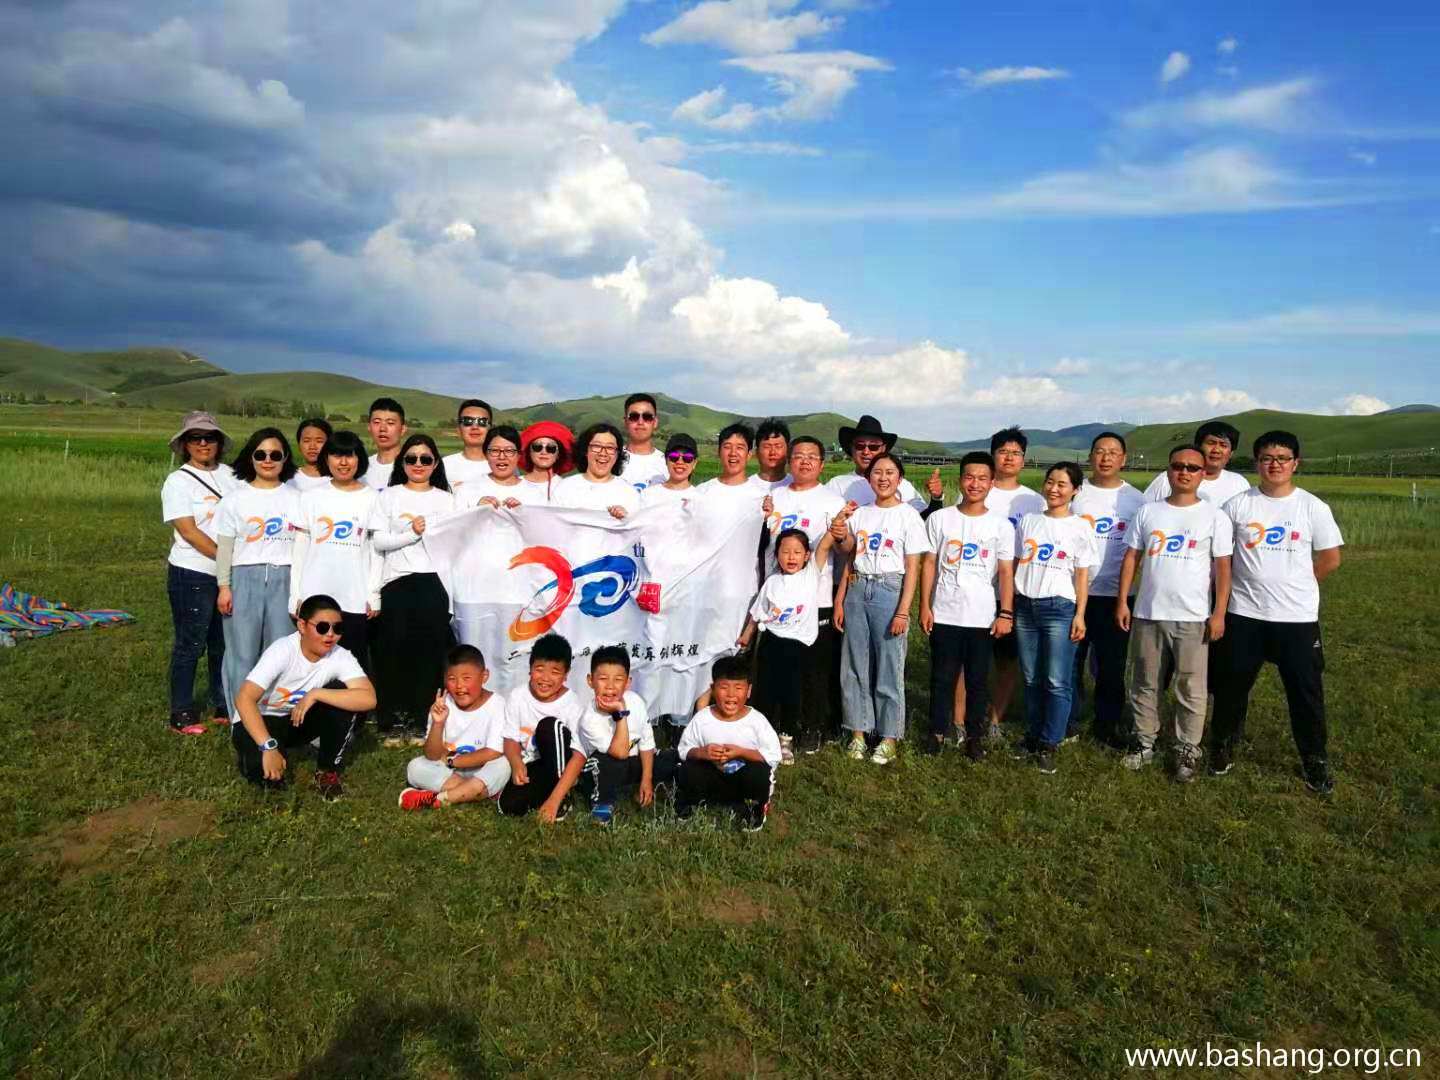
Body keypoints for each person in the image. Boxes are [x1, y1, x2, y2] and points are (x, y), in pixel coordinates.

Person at [1209, 431, 1343, 793]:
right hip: (1244, 614)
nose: (1275, 464)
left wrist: (1299, 582)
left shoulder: (1312, 507)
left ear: (1295, 463)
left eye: (1283, 458)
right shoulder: (1238, 505)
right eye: (1267, 458)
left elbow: (1330, 558)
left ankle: (1314, 759)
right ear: (1257, 463)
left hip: (1296, 618)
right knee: (1231, 686)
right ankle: (1222, 745)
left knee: (1305, 692)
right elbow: (1221, 555)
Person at [1116, 446, 1233, 783]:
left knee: (1191, 687)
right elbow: (1132, 558)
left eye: (1192, 468)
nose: (1184, 472)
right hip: (1148, 612)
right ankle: (1144, 742)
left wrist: (1219, 613)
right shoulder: (1149, 512)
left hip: (1193, 616)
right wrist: (1123, 601)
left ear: (1202, 474)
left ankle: (1187, 749)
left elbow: (1223, 569)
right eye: (1178, 466)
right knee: (1144, 681)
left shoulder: (1214, 516)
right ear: (1169, 471)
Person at [230, 593, 376, 800]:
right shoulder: (282, 650)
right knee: (264, 775)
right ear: (302, 626)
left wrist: (316, 694)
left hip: (296, 719)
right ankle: (260, 754)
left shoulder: (340, 655)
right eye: (322, 627)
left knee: (341, 693)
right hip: (258, 719)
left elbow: (369, 699)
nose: (330, 635)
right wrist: (268, 746)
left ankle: (326, 771)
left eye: (338, 628)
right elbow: (244, 698)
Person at [919, 451, 1015, 760]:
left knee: (977, 679)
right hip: (944, 612)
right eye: (969, 477)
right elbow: (929, 563)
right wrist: (925, 605)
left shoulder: (1001, 526)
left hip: (982, 616)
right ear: (960, 480)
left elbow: (1005, 572)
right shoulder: (940, 519)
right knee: (942, 677)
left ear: (992, 483)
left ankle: (975, 735)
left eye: (982, 478)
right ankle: (937, 731)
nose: (975, 484)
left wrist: (1006, 612)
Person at [833, 452, 927, 765]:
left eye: (889, 472)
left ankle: (888, 737)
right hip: (858, 588)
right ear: (868, 478)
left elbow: (913, 567)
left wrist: (903, 611)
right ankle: (858, 732)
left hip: (889, 590)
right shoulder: (861, 514)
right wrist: (840, 531)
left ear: (900, 479)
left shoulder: (908, 516)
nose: (883, 478)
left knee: (889, 664)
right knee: (854, 664)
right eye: (877, 472)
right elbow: (849, 554)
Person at [736, 507, 848, 764]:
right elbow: (757, 613)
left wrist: (840, 518)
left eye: (797, 552)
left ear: (807, 555)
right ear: (776, 555)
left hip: (798, 645)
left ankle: (786, 739)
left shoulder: (811, 575)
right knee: (766, 691)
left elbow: (826, 543)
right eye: (785, 552)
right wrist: (747, 635)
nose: (791, 557)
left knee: (792, 693)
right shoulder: (772, 582)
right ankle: (762, 739)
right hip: (771, 642)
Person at [760, 436, 848, 750]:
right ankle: (776, 727)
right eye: (799, 455)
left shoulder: (831, 501)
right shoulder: (774, 496)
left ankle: (812, 727)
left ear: (822, 464)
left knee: (814, 668)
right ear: (790, 461)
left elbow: (847, 549)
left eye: (812, 456)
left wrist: (842, 536)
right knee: (778, 669)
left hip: (816, 598)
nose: (805, 461)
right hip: (777, 598)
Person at [1010, 462, 1098, 775]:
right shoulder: (1029, 521)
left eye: (1062, 484)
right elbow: (1018, 561)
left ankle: (1050, 741)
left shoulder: (1080, 527)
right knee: (1031, 677)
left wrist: (1080, 615)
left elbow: (1083, 576)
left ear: (1075, 490)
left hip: (1059, 608)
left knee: (1057, 680)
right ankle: (1033, 734)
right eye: (1050, 482)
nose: (1054, 489)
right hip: (1025, 606)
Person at [368, 433, 455, 744]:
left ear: (435, 464)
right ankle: (392, 720)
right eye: (411, 458)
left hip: (434, 582)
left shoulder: (447, 500)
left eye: (425, 459)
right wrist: (412, 533)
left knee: (429, 654)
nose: (418, 464)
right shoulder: (389, 496)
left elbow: (454, 545)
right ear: (402, 462)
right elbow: (379, 541)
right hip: (397, 581)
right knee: (392, 653)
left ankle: (422, 718)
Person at [538, 646, 679, 825]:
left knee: (671, 759)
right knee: (604, 762)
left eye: (618, 679)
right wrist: (620, 714)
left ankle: (669, 789)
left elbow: (646, 742)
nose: (610, 686)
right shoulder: (589, 718)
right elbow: (619, 753)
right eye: (603, 679)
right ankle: (603, 801)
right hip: (607, 765)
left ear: (627, 683)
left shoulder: (636, 701)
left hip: (633, 761)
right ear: (590, 681)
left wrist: (646, 779)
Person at [161, 411, 239, 734]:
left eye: (210, 437)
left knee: (223, 642)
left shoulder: (233, 475)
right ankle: (181, 712)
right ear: (184, 444)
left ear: (219, 442)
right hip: (193, 572)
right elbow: (189, 531)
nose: (203, 443)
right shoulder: (178, 481)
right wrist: (227, 560)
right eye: (195, 438)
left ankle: (222, 702)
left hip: (228, 575)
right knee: (191, 643)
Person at [215, 427, 300, 722]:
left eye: (275, 455)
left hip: (285, 577)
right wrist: (224, 586)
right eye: (260, 454)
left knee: (280, 651)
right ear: (251, 457)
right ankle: (241, 719)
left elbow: (304, 547)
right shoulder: (234, 500)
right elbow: (225, 548)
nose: (267, 460)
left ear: (285, 458)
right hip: (244, 578)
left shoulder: (297, 499)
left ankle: (275, 717)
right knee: (242, 652)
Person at [1068, 431, 1146, 749]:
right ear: (1090, 456)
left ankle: (1108, 724)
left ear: (1123, 459)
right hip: (1074, 594)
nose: (1106, 457)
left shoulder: (1137, 500)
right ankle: (1069, 721)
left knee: (1111, 666)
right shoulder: (1075, 492)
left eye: (1113, 452)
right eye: (1100, 451)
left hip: (1117, 596)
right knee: (1070, 662)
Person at [288, 430, 378, 673]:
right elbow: (300, 548)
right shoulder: (310, 498)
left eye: (350, 455)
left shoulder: (372, 498)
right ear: (326, 459)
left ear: (359, 459)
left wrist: (374, 593)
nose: (343, 462)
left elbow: (375, 550)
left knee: (353, 664)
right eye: (337, 455)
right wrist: (295, 594)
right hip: (315, 592)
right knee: (312, 664)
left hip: (355, 597)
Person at [981, 427, 1048, 738]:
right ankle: (967, 714)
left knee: (1007, 659)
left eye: (1016, 453)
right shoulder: (979, 489)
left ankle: (996, 718)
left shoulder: (1034, 501)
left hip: (1015, 592)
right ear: (993, 455)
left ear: (1024, 459)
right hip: (977, 589)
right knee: (973, 658)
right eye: (1003, 452)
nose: (1009, 458)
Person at [676, 654, 784, 832]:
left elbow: (773, 756)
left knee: (758, 773)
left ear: (748, 690)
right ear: (713, 689)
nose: (731, 695)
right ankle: (691, 803)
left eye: (738, 688)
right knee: (688, 769)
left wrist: (741, 753)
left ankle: (754, 809)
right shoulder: (702, 718)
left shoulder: (757, 721)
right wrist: (702, 752)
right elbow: (683, 750)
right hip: (713, 778)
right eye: (724, 687)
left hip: (743, 782)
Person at [399, 645, 510, 810]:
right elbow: (432, 755)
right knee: (415, 767)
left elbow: (492, 752)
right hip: (452, 773)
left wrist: (452, 761)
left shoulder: (498, 704)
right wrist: (438, 723)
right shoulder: (442, 705)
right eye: (452, 679)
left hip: (480, 767)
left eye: (467, 678)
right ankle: (477, 792)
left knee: (503, 764)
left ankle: (438, 799)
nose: (459, 686)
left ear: (484, 676)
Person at [497, 633, 586, 818]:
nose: (545, 678)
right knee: (507, 806)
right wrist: (516, 763)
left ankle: (561, 797)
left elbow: (579, 755)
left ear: (565, 675)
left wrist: (554, 800)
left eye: (555, 672)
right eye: (539, 669)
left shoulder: (572, 704)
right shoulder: (518, 696)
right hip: (535, 764)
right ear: (530, 669)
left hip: (564, 764)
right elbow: (510, 738)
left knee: (548, 727)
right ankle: (547, 794)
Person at [825, 414, 942, 514]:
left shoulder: (900, 484)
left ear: (883, 449)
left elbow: (925, 519)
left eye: (873, 447)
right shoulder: (837, 485)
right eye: (860, 446)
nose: (866, 452)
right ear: (851, 448)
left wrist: (936, 499)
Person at [1143, 420, 1249, 505]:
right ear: (1198, 446)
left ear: (1231, 453)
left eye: (1223, 445)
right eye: (1211, 443)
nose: (1216, 450)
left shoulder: (1239, 484)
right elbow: (1144, 512)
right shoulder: (1170, 478)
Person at [553, 422, 639, 517]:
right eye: (597, 446)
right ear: (585, 451)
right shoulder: (565, 488)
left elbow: (637, 525)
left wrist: (626, 518)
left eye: (610, 448)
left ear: (617, 454)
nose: (603, 453)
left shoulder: (629, 493)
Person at [459, 425, 545, 510]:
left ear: (518, 456)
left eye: (509, 451)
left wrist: (522, 512)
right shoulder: (467, 490)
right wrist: (476, 511)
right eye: (495, 450)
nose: (502, 457)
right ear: (486, 455)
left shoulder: (535, 494)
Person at [442, 399, 493, 496]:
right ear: (458, 430)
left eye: (482, 422)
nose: (475, 427)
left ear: (490, 429)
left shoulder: (504, 464)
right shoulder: (444, 465)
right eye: (467, 421)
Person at [621, 393, 667, 492]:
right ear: (625, 422)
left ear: (655, 422)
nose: (640, 422)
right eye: (634, 416)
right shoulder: (610, 459)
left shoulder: (668, 463)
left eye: (647, 417)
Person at [639, 433, 699, 507]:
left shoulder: (699, 498)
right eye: (674, 456)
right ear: (666, 460)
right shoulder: (648, 495)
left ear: (694, 463)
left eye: (687, 458)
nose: (680, 462)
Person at [520, 420, 573, 501]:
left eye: (551, 448)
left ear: (558, 455)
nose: (544, 452)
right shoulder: (514, 485)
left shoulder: (568, 488)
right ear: (529, 452)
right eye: (537, 447)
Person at [363, 397, 407, 491]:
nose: (382, 428)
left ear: (403, 429)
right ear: (369, 427)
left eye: (390, 423)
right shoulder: (361, 468)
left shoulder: (414, 466)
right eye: (377, 422)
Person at [290, 418, 334, 493]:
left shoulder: (338, 478)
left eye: (319, 441)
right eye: (306, 441)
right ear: (299, 445)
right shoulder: (289, 478)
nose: (312, 447)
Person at [754, 418, 792, 487]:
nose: (772, 452)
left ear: (788, 450)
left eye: (778, 446)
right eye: (767, 447)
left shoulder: (798, 485)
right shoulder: (744, 487)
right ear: (757, 452)